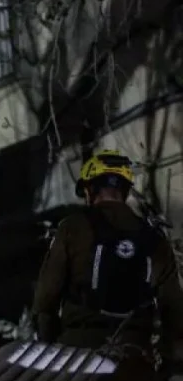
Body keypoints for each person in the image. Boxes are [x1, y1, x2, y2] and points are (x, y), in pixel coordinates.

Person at [32, 149, 183, 362]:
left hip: (78, 352)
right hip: (134, 354)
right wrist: (167, 362)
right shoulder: (155, 238)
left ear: (89, 190)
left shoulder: (72, 228)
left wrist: (48, 344)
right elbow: (174, 311)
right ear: (125, 191)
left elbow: (46, 298)